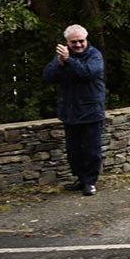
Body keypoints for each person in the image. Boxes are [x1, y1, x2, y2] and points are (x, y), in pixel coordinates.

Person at [43, 24, 106, 196]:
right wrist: (60, 63)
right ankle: (80, 178)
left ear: (86, 40)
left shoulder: (94, 55)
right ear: (67, 42)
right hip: (70, 112)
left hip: (91, 111)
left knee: (92, 149)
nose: (78, 45)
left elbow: (87, 73)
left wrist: (69, 60)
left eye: (81, 41)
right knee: (74, 150)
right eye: (73, 42)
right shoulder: (62, 57)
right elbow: (48, 76)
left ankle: (90, 182)